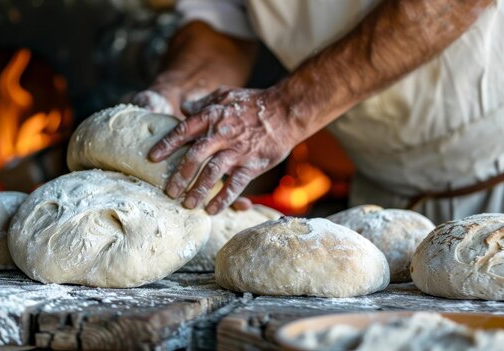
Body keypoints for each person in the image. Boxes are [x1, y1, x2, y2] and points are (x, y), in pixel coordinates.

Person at [133, 0, 503, 224]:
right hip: (381, 195)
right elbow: (221, 23)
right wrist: (180, 91)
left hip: (493, 176)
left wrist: (285, 111)